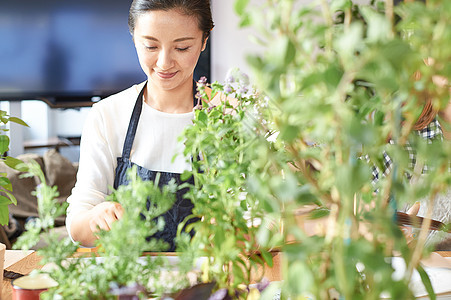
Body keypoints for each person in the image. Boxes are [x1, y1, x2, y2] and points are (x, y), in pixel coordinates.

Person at [66, 0, 214, 250]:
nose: (164, 62)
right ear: (134, 38)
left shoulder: (227, 116)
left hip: (209, 279)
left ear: (204, 41)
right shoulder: (108, 115)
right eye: (151, 46)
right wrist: (97, 217)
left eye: (182, 47)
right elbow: (78, 227)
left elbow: (263, 217)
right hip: (132, 281)